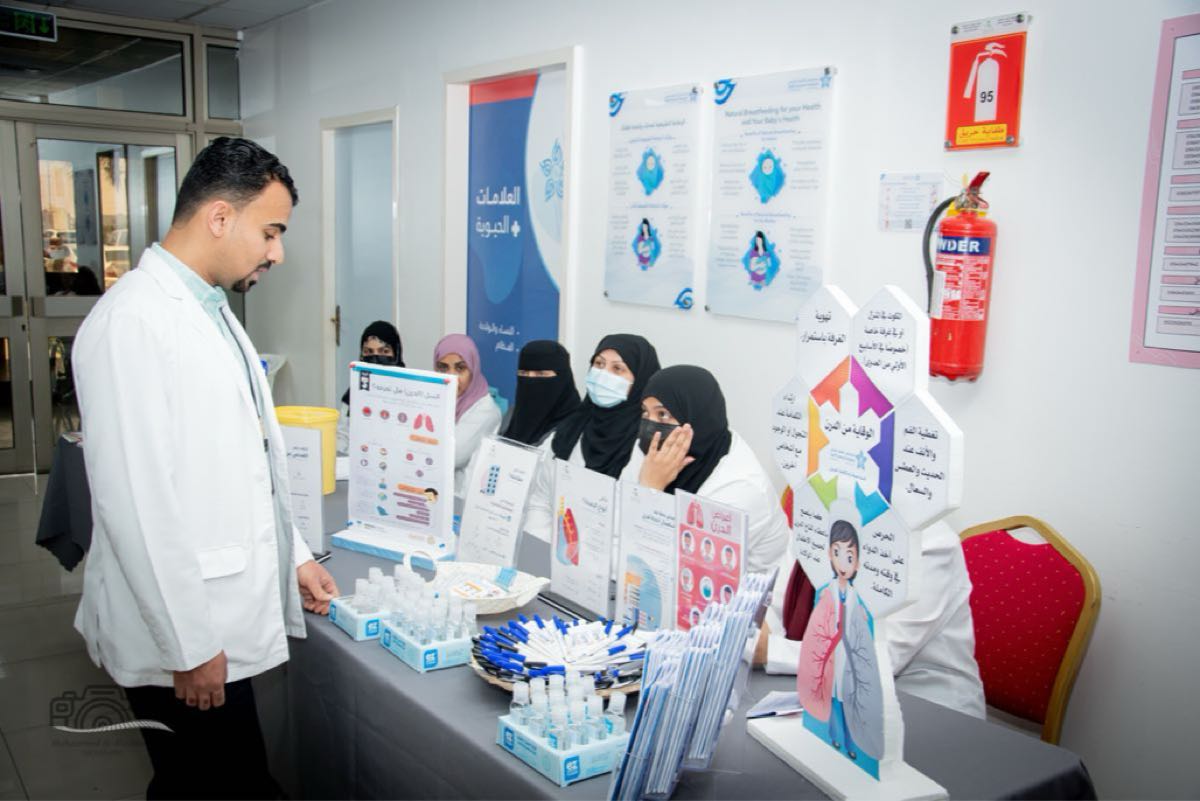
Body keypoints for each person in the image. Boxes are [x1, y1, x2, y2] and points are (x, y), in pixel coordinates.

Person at [71, 137, 339, 799]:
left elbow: (248, 463)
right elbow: (136, 504)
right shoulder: (132, 322)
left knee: (213, 780)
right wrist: (187, 646)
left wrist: (295, 554)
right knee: (210, 782)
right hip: (183, 634)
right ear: (220, 217)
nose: (277, 253)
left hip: (209, 619)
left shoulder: (209, 310)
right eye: (270, 232)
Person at [756, 517, 986, 718]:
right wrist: (759, 638)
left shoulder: (926, 539)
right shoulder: (816, 519)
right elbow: (776, 609)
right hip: (825, 695)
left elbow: (880, 659)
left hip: (926, 709)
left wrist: (769, 650)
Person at [634, 364, 787, 573]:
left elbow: (673, 570)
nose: (651, 427)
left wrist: (650, 489)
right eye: (645, 413)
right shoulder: (658, 455)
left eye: (663, 414)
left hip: (737, 591)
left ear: (697, 416)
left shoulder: (739, 487)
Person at [523, 334, 660, 542]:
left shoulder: (647, 446)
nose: (603, 375)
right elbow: (541, 498)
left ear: (641, 380)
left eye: (618, 369)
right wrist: (544, 547)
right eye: (599, 364)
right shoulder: (570, 429)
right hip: (552, 550)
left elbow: (640, 528)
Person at [434, 333, 501, 497]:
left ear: (473, 369)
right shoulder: (436, 399)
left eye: (460, 368)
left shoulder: (486, 411)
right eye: (443, 368)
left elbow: (452, 456)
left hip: (461, 500)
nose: (451, 377)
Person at [336, 321, 404, 454]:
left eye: (384, 351)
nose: (376, 358)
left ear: (396, 353)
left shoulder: (409, 392)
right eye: (369, 352)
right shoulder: (353, 393)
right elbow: (342, 435)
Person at [501, 340, 580, 447]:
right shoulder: (511, 415)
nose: (530, 380)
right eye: (524, 373)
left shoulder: (577, 429)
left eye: (541, 374)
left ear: (563, 377)